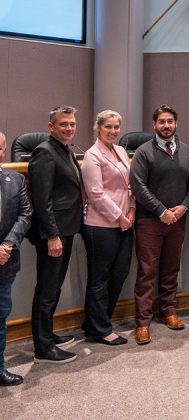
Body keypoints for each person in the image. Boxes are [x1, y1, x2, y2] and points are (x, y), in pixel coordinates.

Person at [130, 104, 189, 345]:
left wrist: (184, 207)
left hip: (177, 219)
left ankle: (168, 311)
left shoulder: (187, 151)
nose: (166, 126)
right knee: (147, 272)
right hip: (150, 220)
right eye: (162, 122)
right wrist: (161, 211)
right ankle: (143, 322)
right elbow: (138, 186)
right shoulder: (143, 152)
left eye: (170, 121)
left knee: (170, 270)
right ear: (154, 125)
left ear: (176, 124)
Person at [29, 105, 83, 364]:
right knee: (47, 289)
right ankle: (43, 347)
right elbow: (42, 200)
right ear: (51, 127)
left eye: (72, 124)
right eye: (64, 124)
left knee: (54, 286)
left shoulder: (65, 150)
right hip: (53, 233)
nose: (69, 128)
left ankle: (47, 334)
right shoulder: (44, 152)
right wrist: (52, 235)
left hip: (66, 228)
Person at [81, 110, 135, 345]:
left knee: (120, 273)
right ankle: (99, 329)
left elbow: (129, 185)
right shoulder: (92, 156)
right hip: (100, 225)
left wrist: (131, 211)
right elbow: (95, 194)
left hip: (126, 221)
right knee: (99, 278)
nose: (113, 131)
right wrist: (120, 217)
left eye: (116, 127)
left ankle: (98, 319)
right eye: (108, 127)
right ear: (98, 128)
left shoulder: (121, 150)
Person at [0, 131, 31, 386]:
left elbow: (25, 214)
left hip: (5, 260)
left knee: (0, 315)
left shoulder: (15, 179)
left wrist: (8, 244)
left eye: (0, 148)